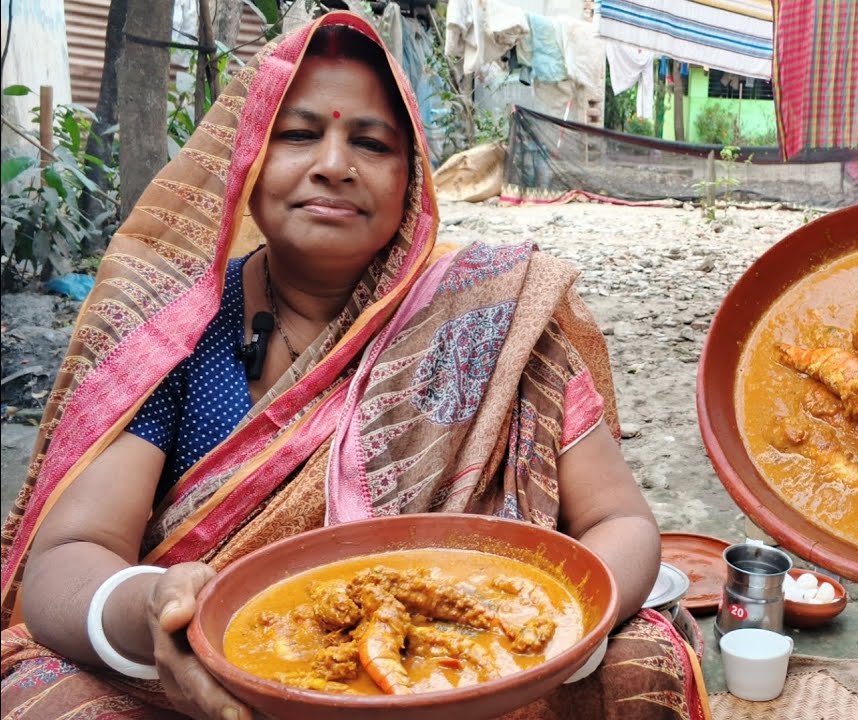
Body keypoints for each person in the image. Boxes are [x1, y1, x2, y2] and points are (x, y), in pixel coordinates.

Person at [0, 13, 710, 720]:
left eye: (369, 142)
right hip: (221, 680)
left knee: (639, 660)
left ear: (413, 178)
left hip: (480, 666)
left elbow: (620, 521)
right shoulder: (173, 332)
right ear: (246, 158)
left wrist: (555, 642)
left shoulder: (495, 310)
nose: (334, 164)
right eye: (299, 133)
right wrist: (153, 612)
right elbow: (67, 562)